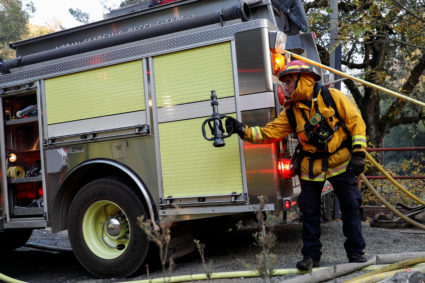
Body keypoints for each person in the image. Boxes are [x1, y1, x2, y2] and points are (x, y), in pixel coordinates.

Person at [225, 60, 367, 271]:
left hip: (341, 161)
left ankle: (356, 253)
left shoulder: (333, 97)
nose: (286, 87)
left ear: (304, 81)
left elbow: (356, 123)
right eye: (285, 83)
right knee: (309, 211)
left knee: (351, 207)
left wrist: (358, 155)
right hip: (312, 166)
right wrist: (242, 130)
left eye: (289, 82)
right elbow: (268, 133)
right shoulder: (291, 112)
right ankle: (311, 257)